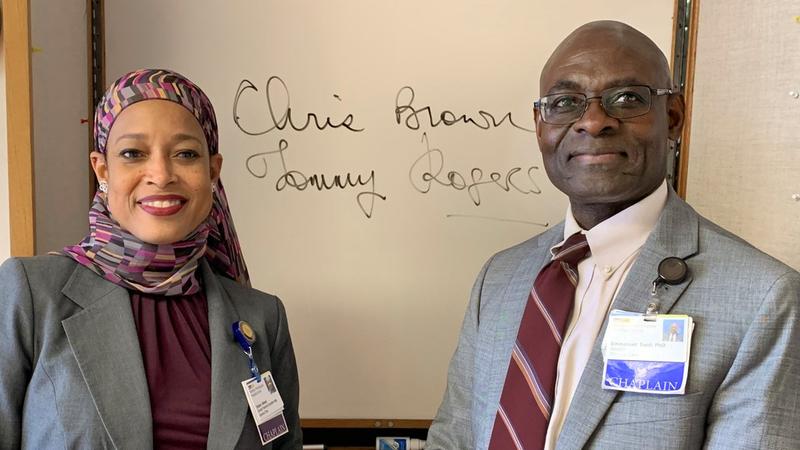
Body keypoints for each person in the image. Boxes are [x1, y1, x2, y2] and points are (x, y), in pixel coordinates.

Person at [426, 21, 800, 450]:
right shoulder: (499, 278)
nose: (593, 121)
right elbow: (453, 437)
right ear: (539, 126)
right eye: (565, 102)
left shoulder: (763, 298)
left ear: (673, 117)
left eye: (627, 98)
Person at [0, 69, 301, 449]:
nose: (160, 174)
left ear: (212, 171)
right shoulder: (30, 295)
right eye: (133, 154)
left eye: (186, 154)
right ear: (102, 169)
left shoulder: (261, 316)